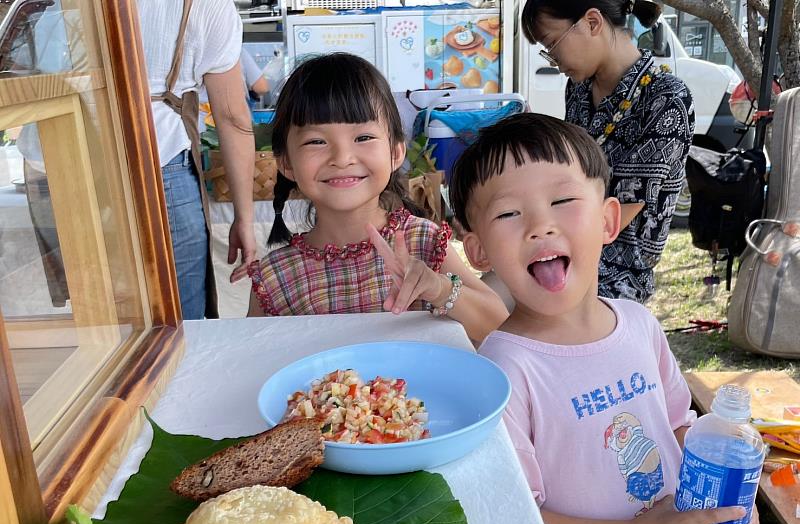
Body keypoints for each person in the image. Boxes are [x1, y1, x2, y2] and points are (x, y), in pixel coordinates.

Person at [449, 113, 758, 524]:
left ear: (609, 220)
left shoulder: (639, 324)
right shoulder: (504, 372)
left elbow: (679, 426)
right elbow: (513, 520)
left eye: (563, 200)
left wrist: (727, 497)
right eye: (509, 213)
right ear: (478, 250)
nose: (540, 226)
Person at [246, 53, 507, 343]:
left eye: (363, 138)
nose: (342, 158)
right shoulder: (276, 277)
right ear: (286, 164)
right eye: (316, 141)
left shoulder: (423, 243)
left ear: (396, 152)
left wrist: (439, 288)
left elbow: (498, 328)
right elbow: (254, 360)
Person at [521, 0, 695, 303]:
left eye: (552, 44)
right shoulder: (578, 90)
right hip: (562, 251)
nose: (554, 61)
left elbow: (622, 211)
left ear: (592, 22)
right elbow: (569, 173)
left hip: (616, 279)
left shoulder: (666, 98)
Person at [139, 0, 256, 319]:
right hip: (159, 160)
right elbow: (231, 117)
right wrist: (244, 217)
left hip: (56, 160)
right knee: (178, 322)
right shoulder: (208, 5)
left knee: (95, 318)